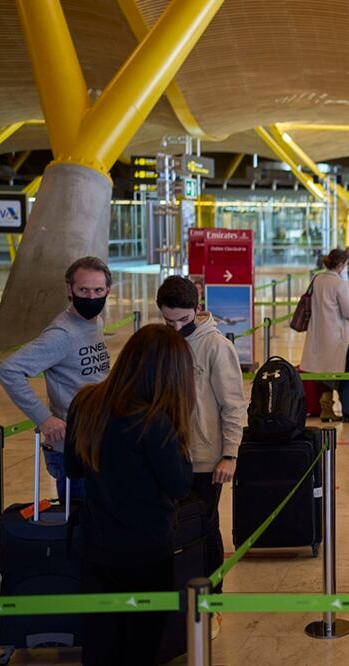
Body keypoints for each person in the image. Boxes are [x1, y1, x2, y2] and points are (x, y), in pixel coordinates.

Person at [64, 324, 194, 666]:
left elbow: (73, 469)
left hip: (96, 547)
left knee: (101, 644)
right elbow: (180, 485)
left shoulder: (85, 403)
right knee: (141, 645)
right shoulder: (155, 420)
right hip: (146, 553)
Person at [155, 277, 244, 624]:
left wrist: (230, 454)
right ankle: (180, 594)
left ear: (197, 308)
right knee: (172, 528)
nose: (176, 327)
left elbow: (234, 405)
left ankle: (212, 598)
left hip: (207, 459)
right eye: (168, 320)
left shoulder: (216, 346)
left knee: (205, 528)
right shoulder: (163, 341)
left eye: (182, 320)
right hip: (169, 454)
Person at [0, 256, 112, 504]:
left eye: (98, 290)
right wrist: (44, 418)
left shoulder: (96, 322)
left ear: (108, 290)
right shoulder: (61, 334)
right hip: (71, 450)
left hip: (97, 441)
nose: (91, 297)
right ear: (69, 289)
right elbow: (9, 370)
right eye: (83, 289)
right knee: (79, 526)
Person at [301, 249, 349, 421]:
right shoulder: (339, 284)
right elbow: (347, 310)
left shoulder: (317, 279)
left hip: (317, 331)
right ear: (341, 264)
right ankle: (327, 407)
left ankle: (326, 407)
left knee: (322, 370)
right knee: (334, 371)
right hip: (334, 333)